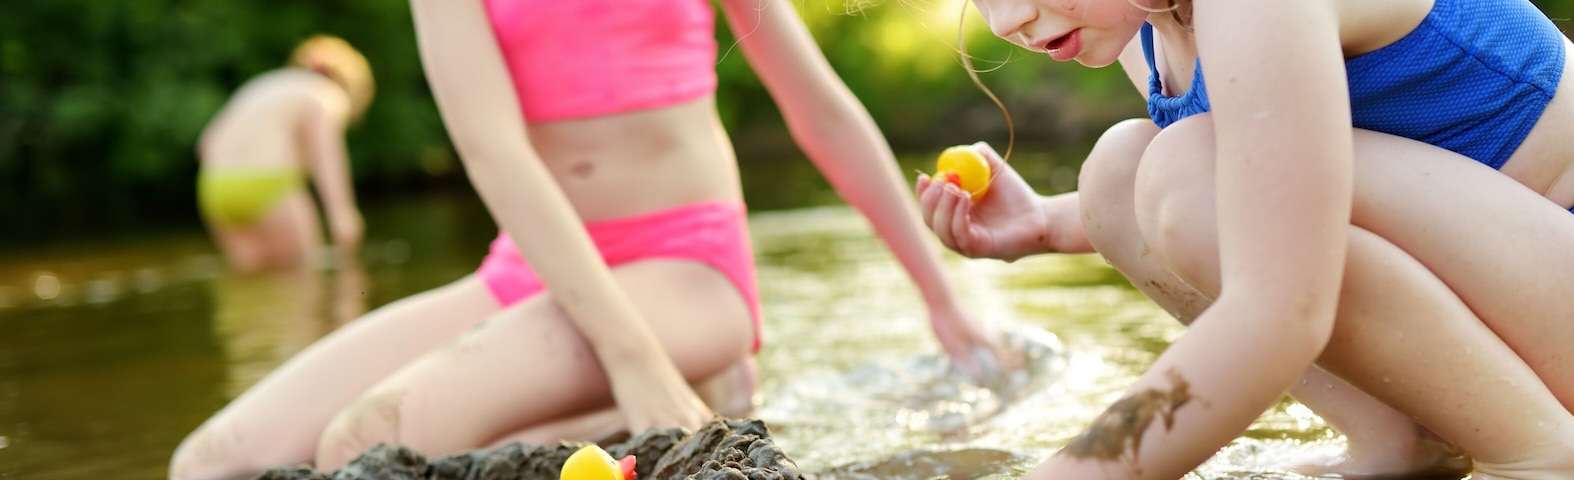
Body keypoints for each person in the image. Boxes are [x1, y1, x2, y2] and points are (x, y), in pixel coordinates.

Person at [168, 0, 1016, 477]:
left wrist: (944, 299)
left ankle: (684, 372)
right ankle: (663, 395)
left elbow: (820, 112)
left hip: (687, 268)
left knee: (356, 446)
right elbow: (492, 150)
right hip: (528, 274)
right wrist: (628, 358)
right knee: (205, 465)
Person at [915, 0, 1574, 477]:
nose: (1005, 20)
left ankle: (1550, 460)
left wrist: (1071, 472)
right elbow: (1279, 188)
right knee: (1120, 170)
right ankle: (1399, 442)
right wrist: (1050, 225)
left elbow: (1276, 309)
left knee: (1183, 171)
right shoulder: (1148, 24)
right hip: (1514, 289)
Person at [196, 35, 372, 273]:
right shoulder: (327, 95)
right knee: (302, 276)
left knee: (251, 282)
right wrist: (342, 214)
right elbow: (326, 158)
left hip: (215, 188)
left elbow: (205, 144)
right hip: (269, 185)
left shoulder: (265, 84)